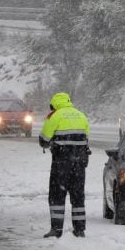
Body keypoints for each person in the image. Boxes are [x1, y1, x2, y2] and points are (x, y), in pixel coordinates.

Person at [38, 92, 91, 238]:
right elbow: (86, 137)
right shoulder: (81, 115)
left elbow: (44, 139)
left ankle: (56, 229)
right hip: (79, 163)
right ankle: (79, 230)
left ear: (54, 104)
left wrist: (49, 142)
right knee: (78, 196)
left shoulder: (55, 116)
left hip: (61, 163)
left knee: (57, 196)